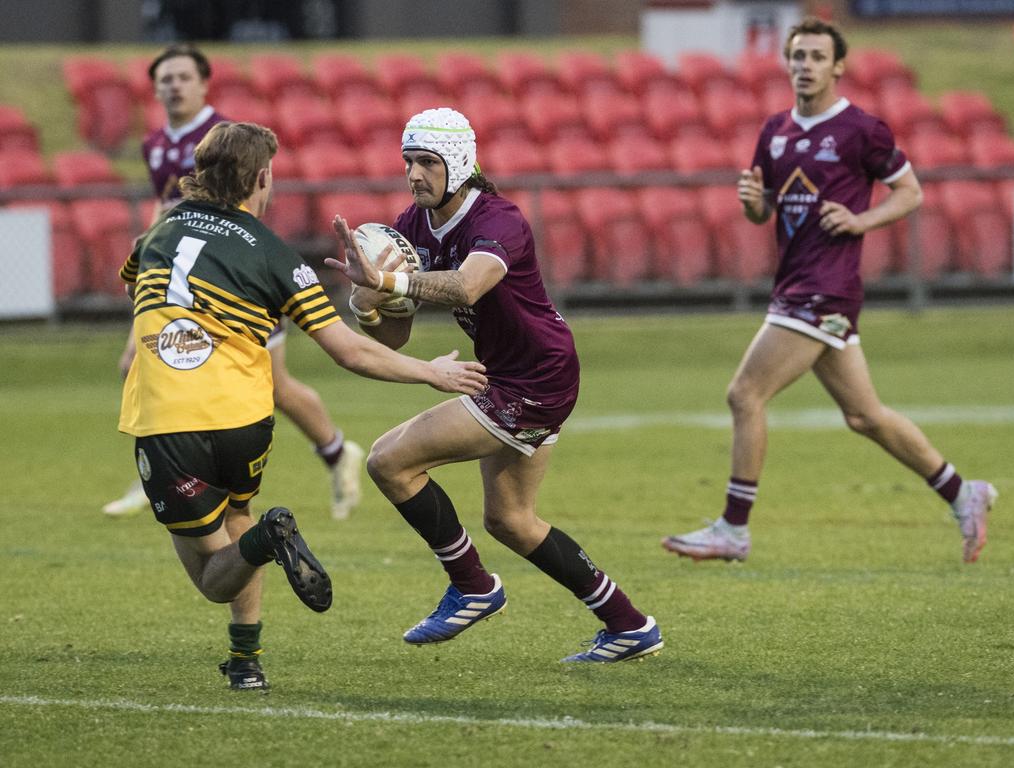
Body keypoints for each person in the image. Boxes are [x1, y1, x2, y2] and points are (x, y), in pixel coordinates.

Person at [118, 120, 487, 690]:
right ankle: (246, 662)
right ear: (261, 178)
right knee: (236, 523)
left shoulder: (158, 233)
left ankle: (273, 538)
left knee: (216, 576)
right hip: (245, 421)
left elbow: (135, 286)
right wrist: (429, 372)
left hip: (171, 422)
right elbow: (347, 350)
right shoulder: (273, 254)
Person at [326, 107, 663, 663]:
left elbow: (465, 286)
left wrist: (384, 278)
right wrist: (367, 306)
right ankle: (629, 625)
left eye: (427, 163)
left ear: (458, 163)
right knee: (511, 520)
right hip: (514, 375)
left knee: (388, 460)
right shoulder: (412, 223)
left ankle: (473, 585)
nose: (414, 174)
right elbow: (397, 336)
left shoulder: (499, 219)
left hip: (536, 378)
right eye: (408, 161)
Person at [662, 17, 997, 565]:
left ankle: (733, 529)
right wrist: (751, 201)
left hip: (826, 288)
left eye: (817, 57)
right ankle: (964, 492)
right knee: (865, 416)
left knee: (744, 395)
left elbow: (909, 193)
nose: (806, 66)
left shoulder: (861, 129)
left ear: (838, 66)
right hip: (796, 284)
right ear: (787, 63)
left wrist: (864, 222)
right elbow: (763, 211)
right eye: (798, 56)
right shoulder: (775, 130)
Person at [103, 43, 366, 522]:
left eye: (183, 76)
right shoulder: (156, 144)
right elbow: (166, 208)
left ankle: (335, 452)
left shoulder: (221, 137)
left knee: (274, 385)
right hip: (185, 274)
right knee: (156, 361)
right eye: (165, 78)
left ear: (204, 83)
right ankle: (162, 472)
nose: (173, 85)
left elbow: (246, 206)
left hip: (234, 280)